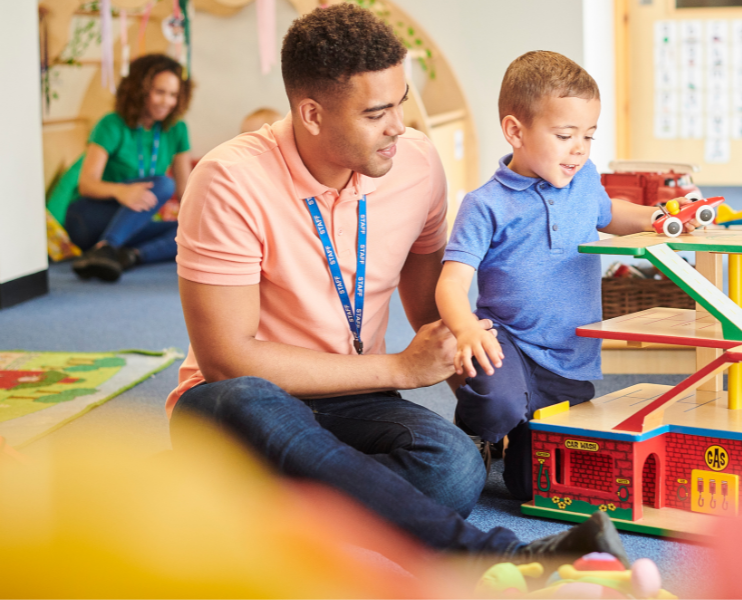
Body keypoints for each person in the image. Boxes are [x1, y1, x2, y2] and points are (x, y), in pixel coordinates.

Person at [167, 4, 628, 566]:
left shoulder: (415, 163)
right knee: (249, 396)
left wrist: (494, 397)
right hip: (239, 398)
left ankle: (249, 503)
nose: (397, 127)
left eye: (401, 102)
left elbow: (431, 301)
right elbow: (227, 360)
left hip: (356, 398)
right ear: (312, 114)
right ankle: (490, 556)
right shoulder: (227, 180)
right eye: (376, 113)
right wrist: (401, 370)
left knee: (456, 468)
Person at [435, 51, 699, 501]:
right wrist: (463, 329)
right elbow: (452, 281)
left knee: (529, 488)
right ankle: (480, 427)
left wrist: (656, 218)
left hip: (569, 354)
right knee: (497, 406)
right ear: (515, 131)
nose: (579, 148)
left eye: (589, 136)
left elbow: (609, 212)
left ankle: (519, 434)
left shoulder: (584, 178)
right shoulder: (484, 204)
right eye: (564, 135)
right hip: (510, 343)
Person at [46, 54, 194, 282]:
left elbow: (187, 192)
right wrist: (121, 191)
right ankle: (107, 246)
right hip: (87, 217)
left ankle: (128, 256)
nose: (167, 101)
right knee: (164, 184)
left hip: (133, 223)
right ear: (139, 90)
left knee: (191, 234)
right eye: (159, 92)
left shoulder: (177, 129)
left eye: (173, 95)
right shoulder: (111, 124)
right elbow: (87, 184)